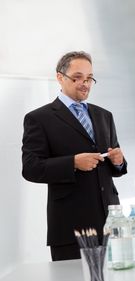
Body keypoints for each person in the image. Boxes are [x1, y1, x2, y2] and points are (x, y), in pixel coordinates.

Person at [22, 51, 127, 261]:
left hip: (111, 224)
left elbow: (115, 165)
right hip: (71, 228)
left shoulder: (104, 116)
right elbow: (31, 168)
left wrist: (119, 161)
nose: (85, 83)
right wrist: (72, 163)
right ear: (60, 77)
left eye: (89, 78)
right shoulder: (39, 118)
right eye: (77, 77)